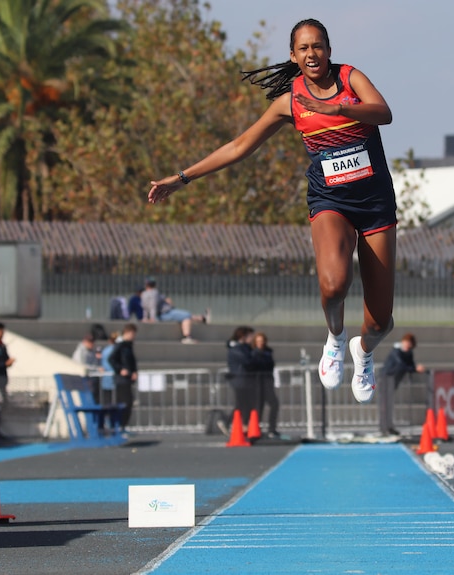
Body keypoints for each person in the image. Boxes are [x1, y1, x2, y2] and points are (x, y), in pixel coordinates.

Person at [149, 19, 397, 403]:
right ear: (294, 56)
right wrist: (182, 177)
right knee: (333, 286)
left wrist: (333, 107)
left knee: (381, 321)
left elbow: (383, 113)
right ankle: (336, 337)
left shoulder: (351, 79)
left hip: (376, 203)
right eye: (304, 48)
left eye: (318, 46)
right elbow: (239, 146)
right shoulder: (289, 102)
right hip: (331, 201)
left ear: (329, 50)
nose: (312, 54)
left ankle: (362, 353)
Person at [378, 333, 425, 436]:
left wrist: (415, 368)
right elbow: (401, 365)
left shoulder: (409, 353)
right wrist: (414, 368)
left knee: (389, 404)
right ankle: (384, 427)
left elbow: (410, 364)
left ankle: (389, 426)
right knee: (384, 404)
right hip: (387, 378)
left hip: (394, 380)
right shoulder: (396, 351)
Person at [140, 278, 208, 344]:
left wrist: (145, 318)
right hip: (164, 313)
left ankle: (202, 318)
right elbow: (153, 306)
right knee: (186, 316)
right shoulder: (154, 293)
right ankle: (188, 337)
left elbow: (145, 308)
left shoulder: (144, 294)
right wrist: (152, 318)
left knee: (186, 317)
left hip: (161, 314)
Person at [226, 326, 259, 428]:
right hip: (240, 380)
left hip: (246, 380)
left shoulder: (245, 348)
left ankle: (241, 423)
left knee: (245, 403)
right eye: (250, 336)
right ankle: (230, 422)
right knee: (242, 403)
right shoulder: (236, 349)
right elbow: (247, 361)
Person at [107, 323, 138, 431]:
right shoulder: (120, 344)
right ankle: (119, 426)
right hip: (121, 380)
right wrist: (120, 370)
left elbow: (131, 362)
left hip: (127, 380)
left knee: (128, 403)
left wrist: (134, 372)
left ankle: (122, 427)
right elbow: (111, 359)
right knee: (125, 403)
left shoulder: (129, 345)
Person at [252, 332, 279, 438]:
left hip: (267, 382)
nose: (260, 343)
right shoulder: (253, 353)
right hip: (257, 382)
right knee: (258, 407)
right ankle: (256, 429)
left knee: (274, 404)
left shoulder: (268, 352)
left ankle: (272, 428)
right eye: (258, 341)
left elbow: (270, 365)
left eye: (262, 341)